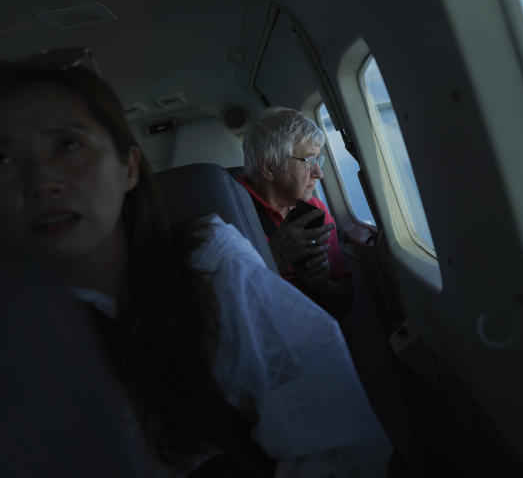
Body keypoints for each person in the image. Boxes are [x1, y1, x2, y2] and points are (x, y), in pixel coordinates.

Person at [0, 63, 391, 476]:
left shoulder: (213, 266)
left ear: (129, 167)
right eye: (3, 157)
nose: (41, 182)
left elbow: (337, 440)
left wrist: (319, 282)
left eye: (68, 145)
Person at [236, 107, 353, 318]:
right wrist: (274, 257)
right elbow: (225, 305)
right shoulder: (228, 215)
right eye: (309, 161)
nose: (319, 173)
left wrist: (322, 286)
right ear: (269, 167)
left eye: (318, 161)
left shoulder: (317, 211)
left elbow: (344, 302)